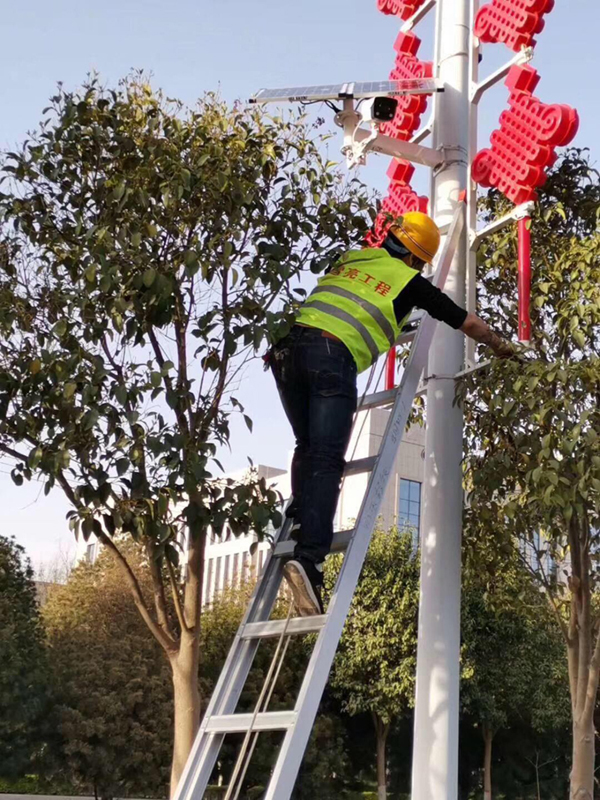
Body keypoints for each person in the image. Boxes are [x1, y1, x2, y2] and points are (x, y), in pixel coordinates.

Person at [269, 212, 515, 616]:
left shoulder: (352, 259)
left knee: (308, 445)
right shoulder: (410, 282)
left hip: (286, 354)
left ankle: (301, 513)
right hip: (332, 357)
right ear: (418, 259)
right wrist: (501, 345)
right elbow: (465, 321)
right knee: (328, 457)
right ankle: (308, 560)